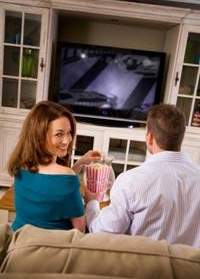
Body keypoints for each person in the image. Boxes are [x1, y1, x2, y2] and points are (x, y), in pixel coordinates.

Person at [85, 103, 200, 248]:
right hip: (191, 269)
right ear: (181, 137)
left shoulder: (130, 181)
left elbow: (101, 234)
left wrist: (92, 203)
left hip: (143, 269)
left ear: (150, 138)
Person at [7, 100, 101, 232]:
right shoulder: (67, 177)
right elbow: (79, 230)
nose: (67, 140)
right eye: (59, 134)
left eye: (69, 132)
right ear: (39, 136)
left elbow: (50, 184)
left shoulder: (20, 165)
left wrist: (79, 163)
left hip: (19, 242)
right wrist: (92, 201)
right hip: (52, 249)